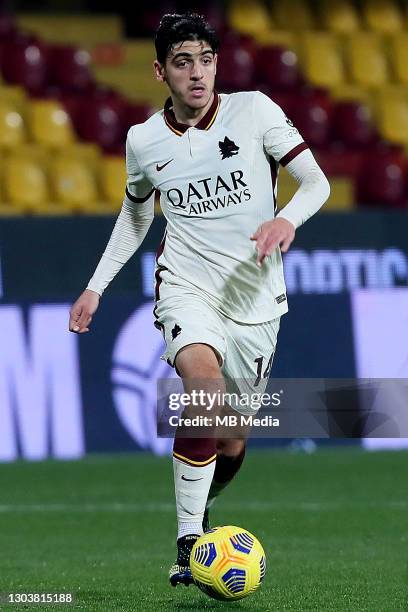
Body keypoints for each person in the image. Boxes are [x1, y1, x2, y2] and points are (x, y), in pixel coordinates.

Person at [69, 13, 330, 588]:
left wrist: (285, 219)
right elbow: (136, 214)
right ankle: (189, 543)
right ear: (160, 71)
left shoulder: (255, 110)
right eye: (183, 62)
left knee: (231, 441)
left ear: (218, 64)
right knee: (204, 393)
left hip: (256, 299)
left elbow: (317, 182)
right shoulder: (144, 140)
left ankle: (202, 512)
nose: (197, 73)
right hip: (187, 286)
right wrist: (96, 285)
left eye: (206, 60)